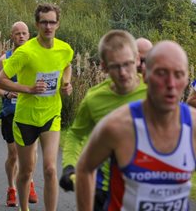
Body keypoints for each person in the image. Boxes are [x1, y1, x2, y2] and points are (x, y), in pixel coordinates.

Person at [75, 41, 194, 211]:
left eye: (179, 74)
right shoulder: (117, 125)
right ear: (145, 74)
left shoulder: (193, 127)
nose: (171, 84)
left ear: (187, 79)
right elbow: (84, 169)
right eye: (161, 73)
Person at [0, 3, 73, 211]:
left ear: (58, 24)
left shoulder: (64, 49)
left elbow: (67, 65)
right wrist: (28, 89)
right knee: (26, 171)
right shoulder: (26, 52)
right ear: (37, 24)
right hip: (25, 118)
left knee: (50, 169)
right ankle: (23, 208)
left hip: (51, 115)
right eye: (44, 22)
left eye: (52, 22)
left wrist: (66, 83)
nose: (48, 26)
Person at [59, 30, 147, 210]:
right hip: (105, 191)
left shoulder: (154, 91)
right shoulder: (94, 99)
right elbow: (76, 135)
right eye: (115, 66)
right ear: (103, 66)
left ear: (137, 59)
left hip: (145, 190)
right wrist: (69, 167)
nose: (123, 73)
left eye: (128, 64)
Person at [0, 21, 38, 207]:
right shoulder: (5, 59)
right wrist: (7, 93)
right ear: (12, 36)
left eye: (24, 33)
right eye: (18, 33)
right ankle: (11, 188)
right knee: (14, 154)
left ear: (30, 35)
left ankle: (29, 183)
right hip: (11, 112)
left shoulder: (36, 57)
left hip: (32, 112)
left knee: (31, 153)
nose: (22, 36)